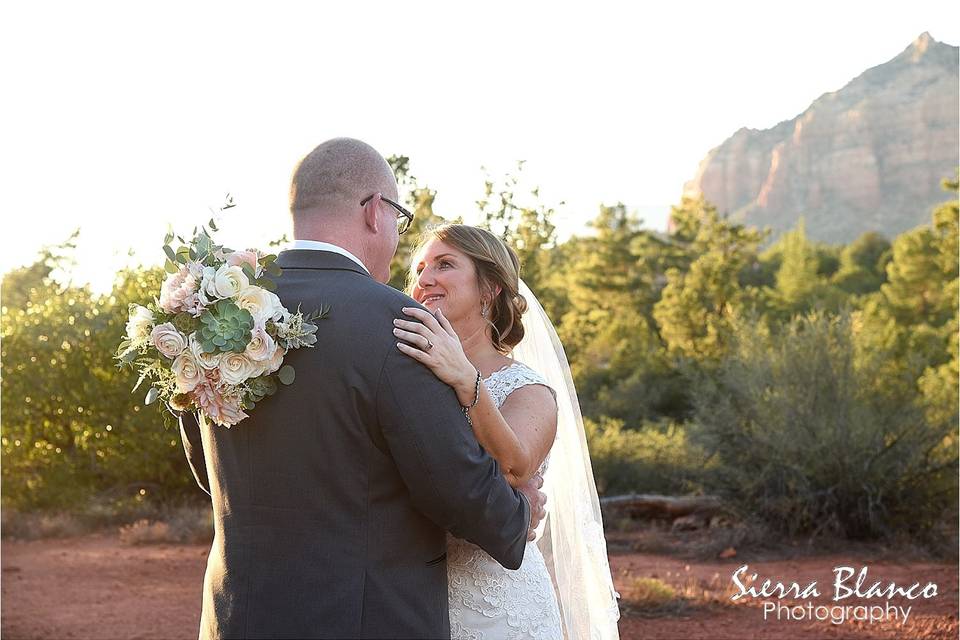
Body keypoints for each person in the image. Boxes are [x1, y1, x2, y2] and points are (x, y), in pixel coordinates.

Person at [177, 137, 547, 639]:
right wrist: (515, 512)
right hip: (362, 620)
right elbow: (451, 486)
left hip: (237, 615)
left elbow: (210, 469)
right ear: (375, 212)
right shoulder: (400, 325)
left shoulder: (218, 313)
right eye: (398, 217)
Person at [395, 224, 621, 639]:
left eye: (445, 265)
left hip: (498, 608)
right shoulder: (401, 377)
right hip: (409, 600)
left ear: (490, 288)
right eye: (420, 268)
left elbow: (515, 469)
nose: (425, 279)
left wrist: (468, 381)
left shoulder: (528, 388)